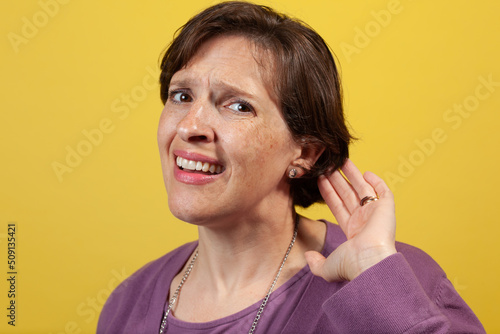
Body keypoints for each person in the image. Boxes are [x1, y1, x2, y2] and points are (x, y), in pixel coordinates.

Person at [98, 2, 485, 333]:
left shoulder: (395, 282)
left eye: (238, 105)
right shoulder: (128, 302)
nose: (189, 126)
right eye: (181, 96)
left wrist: (377, 279)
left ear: (307, 152)